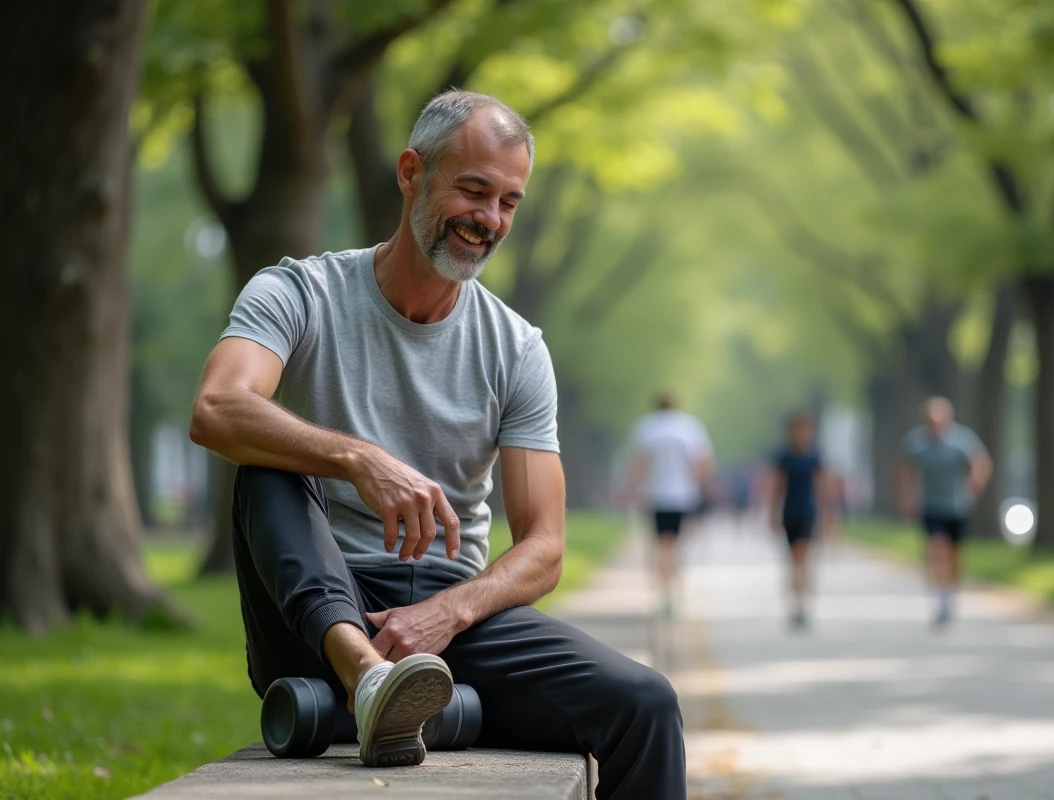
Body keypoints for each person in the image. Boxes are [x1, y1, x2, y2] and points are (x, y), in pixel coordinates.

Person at [188, 91, 683, 798]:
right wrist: (359, 459)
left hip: (446, 620)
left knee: (647, 705)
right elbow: (214, 409)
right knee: (268, 462)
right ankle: (365, 683)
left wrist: (448, 614)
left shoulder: (515, 348)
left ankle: (398, 702)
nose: (490, 220)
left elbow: (544, 546)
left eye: (509, 202)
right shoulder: (299, 292)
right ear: (410, 173)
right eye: (474, 190)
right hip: (317, 607)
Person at [897, 397, 992, 628]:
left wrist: (974, 485)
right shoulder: (917, 443)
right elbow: (904, 469)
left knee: (954, 554)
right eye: (931, 421)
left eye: (939, 420)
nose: (935, 425)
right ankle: (940, 600)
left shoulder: (962, 439)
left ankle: (950, 594)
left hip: (958, 506)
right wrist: (908, 497)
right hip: (931, 505)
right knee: (936, 548)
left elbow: (981, 462)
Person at [628, 392, 713, 618]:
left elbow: (640, 462)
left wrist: (635, 488)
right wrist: (702, 488)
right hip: (683, 495)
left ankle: (665, 592)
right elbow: (701, 462)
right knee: (675, 543)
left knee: (661, 544)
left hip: (656, 494)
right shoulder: (690, 427)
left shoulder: (647, 428)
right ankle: (674, 589)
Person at [769, 413, 834, 629]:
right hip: (790, 512)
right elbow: (777, 488)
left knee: (802, 555)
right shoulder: (784, 457)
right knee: (794, 560)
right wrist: (772, 514)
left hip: (808, 512)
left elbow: (823, 489)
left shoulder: (815, 457)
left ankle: (803, 603)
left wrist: (828, 517)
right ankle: (795, 602)